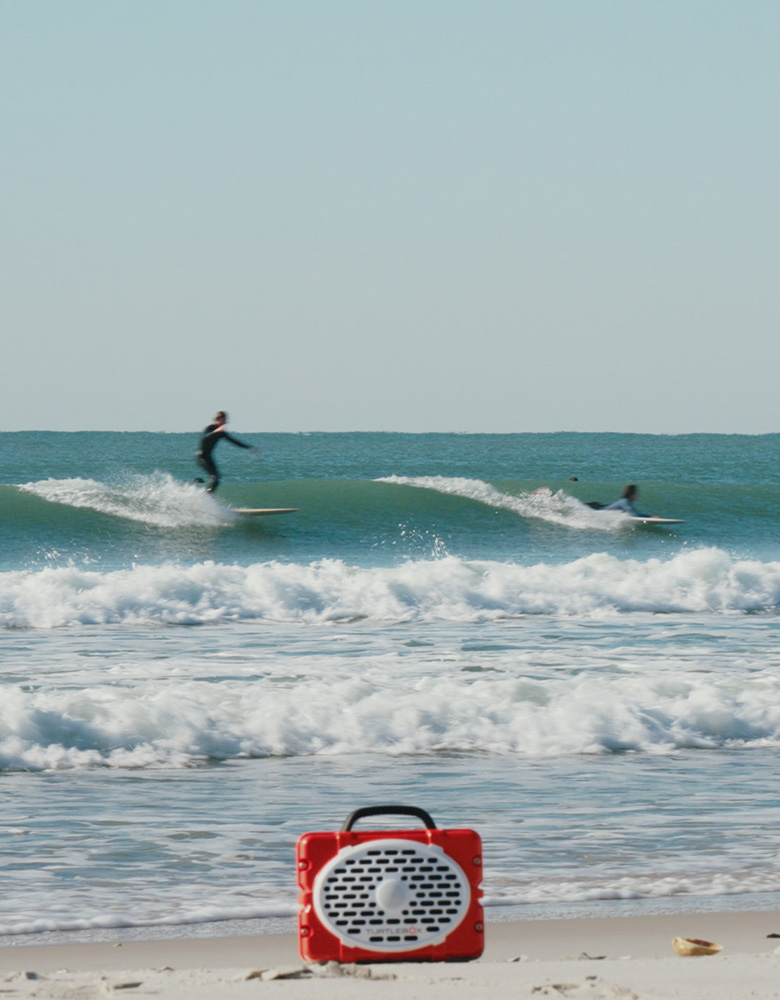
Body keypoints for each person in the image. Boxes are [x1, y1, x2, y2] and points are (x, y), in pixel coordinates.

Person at [194, 411, 258, 493]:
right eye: (224, 421)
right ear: (220, 419)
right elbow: (206, 437)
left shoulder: (221, 433)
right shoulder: (209, 428)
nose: (225, 424)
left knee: (217, 478)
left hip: (208, 456)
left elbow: (234, 441)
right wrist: (216, 431)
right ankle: (205, 495)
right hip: (201, 456)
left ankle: (206, 495)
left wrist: (249, 447)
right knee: (215, 477)